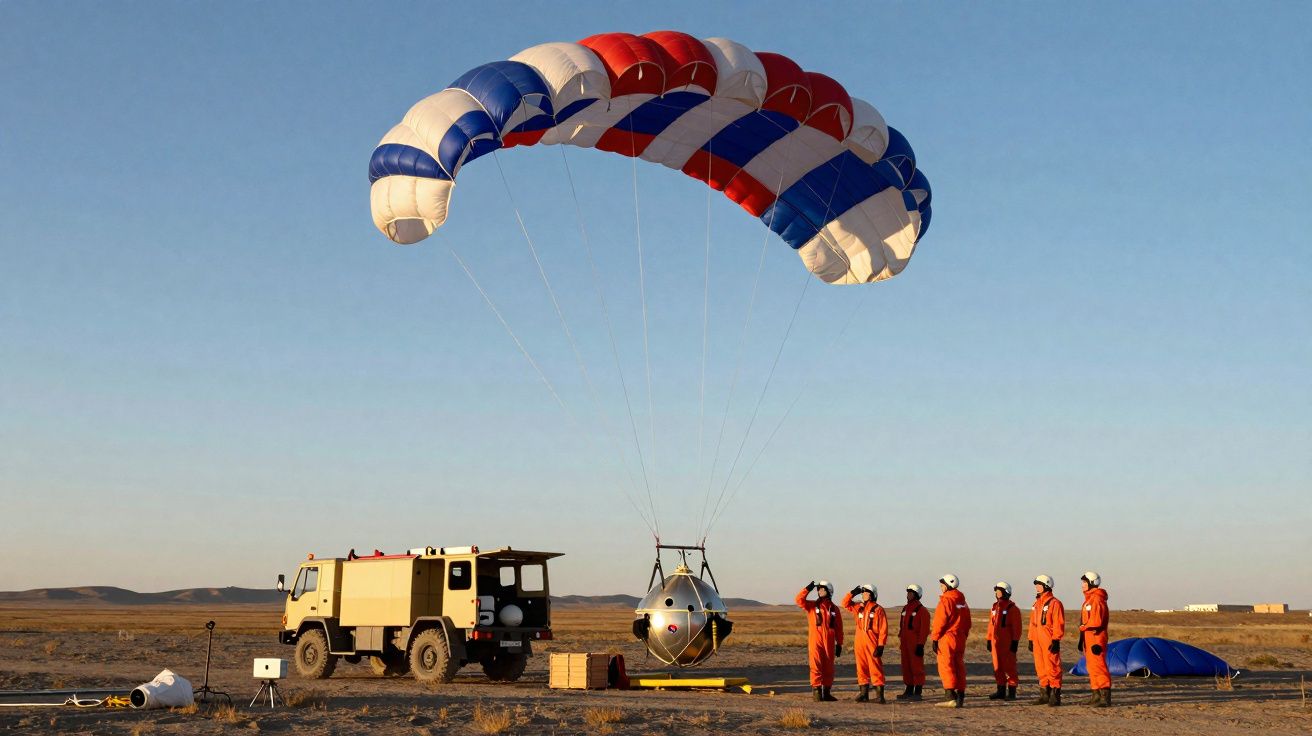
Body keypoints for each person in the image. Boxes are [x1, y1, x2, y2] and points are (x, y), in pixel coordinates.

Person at [796, 580, 844, 702]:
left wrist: (839, 643)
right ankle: (817, 693)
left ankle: (826, 693)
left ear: (829, 591)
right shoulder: (811, 606)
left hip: (829, 641)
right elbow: (799, 600)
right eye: (819, 589)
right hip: (816, 640)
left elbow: (839, 628)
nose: (819, 591)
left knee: (829, 667)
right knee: (816, 666)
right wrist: (807, 589)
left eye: (822, 589)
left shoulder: (834, 609)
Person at [841, 584, 888, 703]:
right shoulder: (858, 608)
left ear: (872, 594)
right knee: (861, 668)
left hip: (872, 642)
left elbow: (883, 629)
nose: (864, 594)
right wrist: (852, 593)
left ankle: (880, 695)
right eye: (863, 593)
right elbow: (845, 603)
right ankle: (864, 694)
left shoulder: (878, 609)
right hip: (859, 642)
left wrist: (881, 645)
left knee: (875, 667)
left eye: (866, 592)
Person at [930, 573, 970, 708]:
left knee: (946, 665)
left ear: (948, 585)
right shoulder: (962, 602)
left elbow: (940, 621)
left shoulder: (946, 600)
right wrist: (964, 635)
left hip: (947, 637)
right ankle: (960, 695)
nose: (941, 588)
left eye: (942, 585)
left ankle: (950, 696)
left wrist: (935, 638)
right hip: (960, 638)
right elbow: (967, 621)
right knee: (959, 665)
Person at [1028, 574, 1066, 706]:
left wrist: (1056, 640)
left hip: (1049, 640)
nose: (1036, 587)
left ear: (1046, 585)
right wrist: (1031, 639)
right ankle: (1044, 693)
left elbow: (1058, 623)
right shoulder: (1037, 604)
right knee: (1041, 667)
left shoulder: (1055, 603)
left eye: (1039, 584)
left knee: (1052, 666)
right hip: (1038, 640)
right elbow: (1033, 623)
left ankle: (1055, 694)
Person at [1078, 571, 1111, 707]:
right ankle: (1096, 694)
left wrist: (1083, 627)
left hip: (1096, 637)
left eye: (1085, 582)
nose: (1082, 585)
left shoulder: (1096, 599)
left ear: (1092, 583)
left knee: (1099, 666)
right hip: (1089, 637)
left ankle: (1105, 697)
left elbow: (1096, 622)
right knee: (1092, 667)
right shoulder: (1089, 600)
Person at [986, 581, 1022, 701]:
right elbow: (991, 625)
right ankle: (1000, 691)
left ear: (1005, 592)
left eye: (999, 590)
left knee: (1009, 666)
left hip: (1007, 642)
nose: (996, 593)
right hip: (996, 642)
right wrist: (988, 639)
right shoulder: (995, 607)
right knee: (997, 666)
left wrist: (1015, 642)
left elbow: (1017, 627)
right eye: (996, 591)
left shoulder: (1013, 609)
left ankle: (1012, 692)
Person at [894, 583, 930, 701]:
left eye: (911, 593)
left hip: (915, 643)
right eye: (908, 593)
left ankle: (918, 692)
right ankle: (908, 690)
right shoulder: (905, 608)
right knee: (906, 666)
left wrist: (920, 644)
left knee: (916, 667)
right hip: (905, 642)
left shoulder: (922, 610)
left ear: (917, 595)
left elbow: (924, 630)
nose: (908, 595)